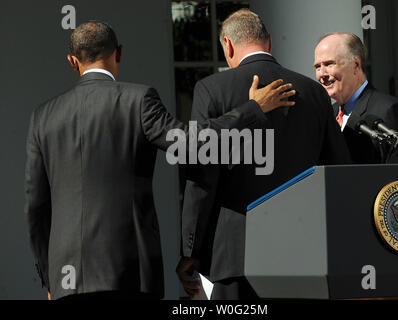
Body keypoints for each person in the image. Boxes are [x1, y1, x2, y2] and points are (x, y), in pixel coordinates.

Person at [24, 21, 295, 300]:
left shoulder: (43, 116)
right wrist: (253, 109)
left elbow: (35, 207)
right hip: (131, 271)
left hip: (66, 279)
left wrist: (50, 276)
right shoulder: (138, 100)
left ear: (72, 61)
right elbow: (193, 145)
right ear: (119, 53)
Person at [177, 9, 351, 300]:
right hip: (302, 252)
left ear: (228, 46)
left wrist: (189, 250)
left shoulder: (211, 89)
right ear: (269, 43)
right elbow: (338, 170)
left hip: (235, 253)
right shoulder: (313, 92)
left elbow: (201, 177)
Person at [314, 32, 398, 164]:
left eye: (329, 64)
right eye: (318, 67)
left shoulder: (388, 110)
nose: (322, 74)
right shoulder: (329, 114)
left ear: (356, 65)